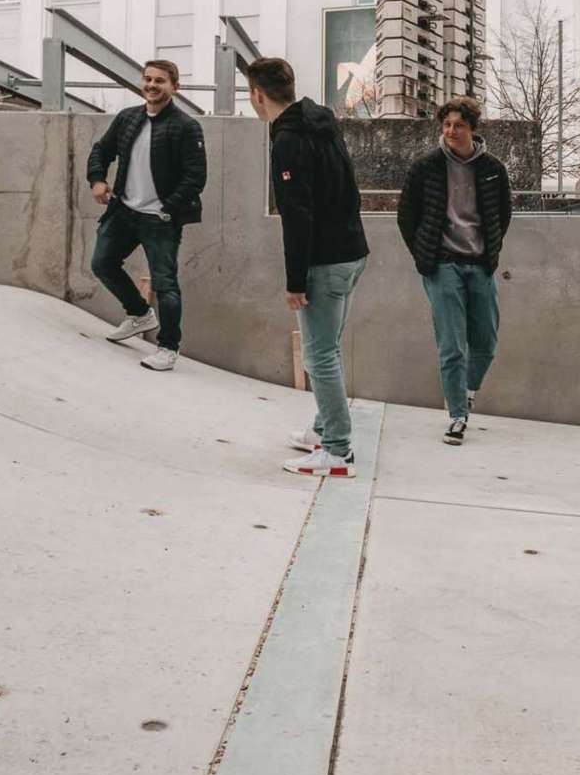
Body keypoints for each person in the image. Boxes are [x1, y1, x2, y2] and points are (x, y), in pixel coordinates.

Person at [238, 57, 371, 479]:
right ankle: (322, 429)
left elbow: (297, 215)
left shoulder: (289, 141)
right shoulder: (321, 124)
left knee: (320, 355)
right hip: (351, 252)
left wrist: (295, 280)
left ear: (257, 95)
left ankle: (336, 450)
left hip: (325, 261)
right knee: (326, 347)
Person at [398, 96, 512, 445]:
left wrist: (489, 250)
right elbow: (407, 216)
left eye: (458, 125)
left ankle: (465, 392)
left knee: (486, 343)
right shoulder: (425, 167)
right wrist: (424, 256)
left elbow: (502, 215)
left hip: (480, 264)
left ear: (473, 129)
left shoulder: (493, 168)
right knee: (452, 346)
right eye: (446, 125)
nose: (451, 131)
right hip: (442, 263)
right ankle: (457, 416)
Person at [86, 60, 206, 373]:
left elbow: (196, 177)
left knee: (165, 284)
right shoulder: (128, 118)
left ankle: (168, 347)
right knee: (102, 263)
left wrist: (168, 209)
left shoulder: (186, 126)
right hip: (124, 211)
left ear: (175, 87)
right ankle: (139, 314)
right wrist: (97, 180)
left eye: (160, 81)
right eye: (148, 79)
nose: (152, 85)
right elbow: (101, 150)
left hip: (159, 220)